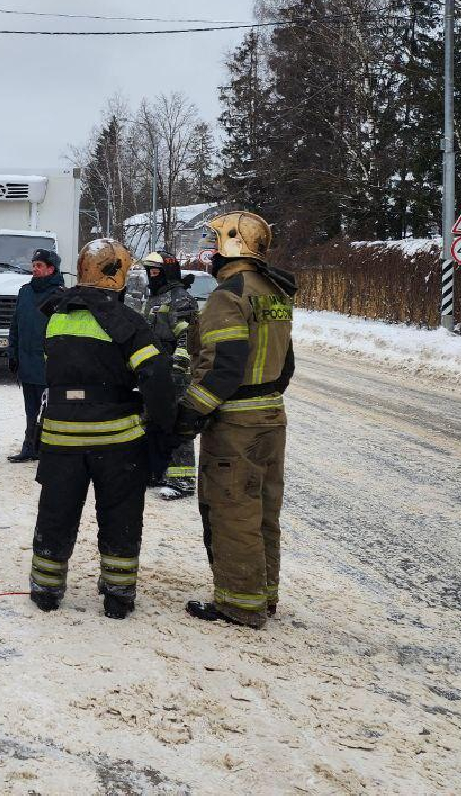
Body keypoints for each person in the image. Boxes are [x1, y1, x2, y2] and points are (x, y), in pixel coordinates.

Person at [28, 239, 176, 620]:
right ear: (118, 274)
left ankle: (45, 589)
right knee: (120, 515)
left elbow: (55, 368)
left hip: (60, 437)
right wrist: (164, 426)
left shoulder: (57, 315)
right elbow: (155, 376)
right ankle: (118, 595)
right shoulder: (128, 321)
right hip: (116, 441)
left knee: (56, 512)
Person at [176, 211, 296, 629]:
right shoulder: (275, 292)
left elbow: (222, 366)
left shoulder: (229, 295)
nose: (210, 253)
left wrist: (191, 412)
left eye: (214, 244)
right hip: (271, 415)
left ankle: (240, 604)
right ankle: (265, 595)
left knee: (232, 510)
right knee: (264, 509)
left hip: (236, 424)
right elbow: (286, 365)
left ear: (231, 245)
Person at [140, 249, 200, 499]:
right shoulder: (155, 298)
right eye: (149, 272)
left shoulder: (180, 299)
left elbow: (187, 337)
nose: (152, 276)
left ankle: (182, 479)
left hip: (174, 373)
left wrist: (179, 369)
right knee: (152, 421)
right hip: (154, 372)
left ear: (167, 272)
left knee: (177, 424)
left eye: (156, 271)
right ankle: (156, 471)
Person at [5, 248, 64, 463]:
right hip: (26, 362)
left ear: (51, 269)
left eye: (39, 265)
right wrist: (12, 354)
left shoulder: (60, 295)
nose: (34, 269)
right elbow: (16, 326)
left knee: (49, 410)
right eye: (34, 265)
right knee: (31, 409)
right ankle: (29, 446)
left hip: (48, 364)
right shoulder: (25, 292)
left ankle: (46, 449)